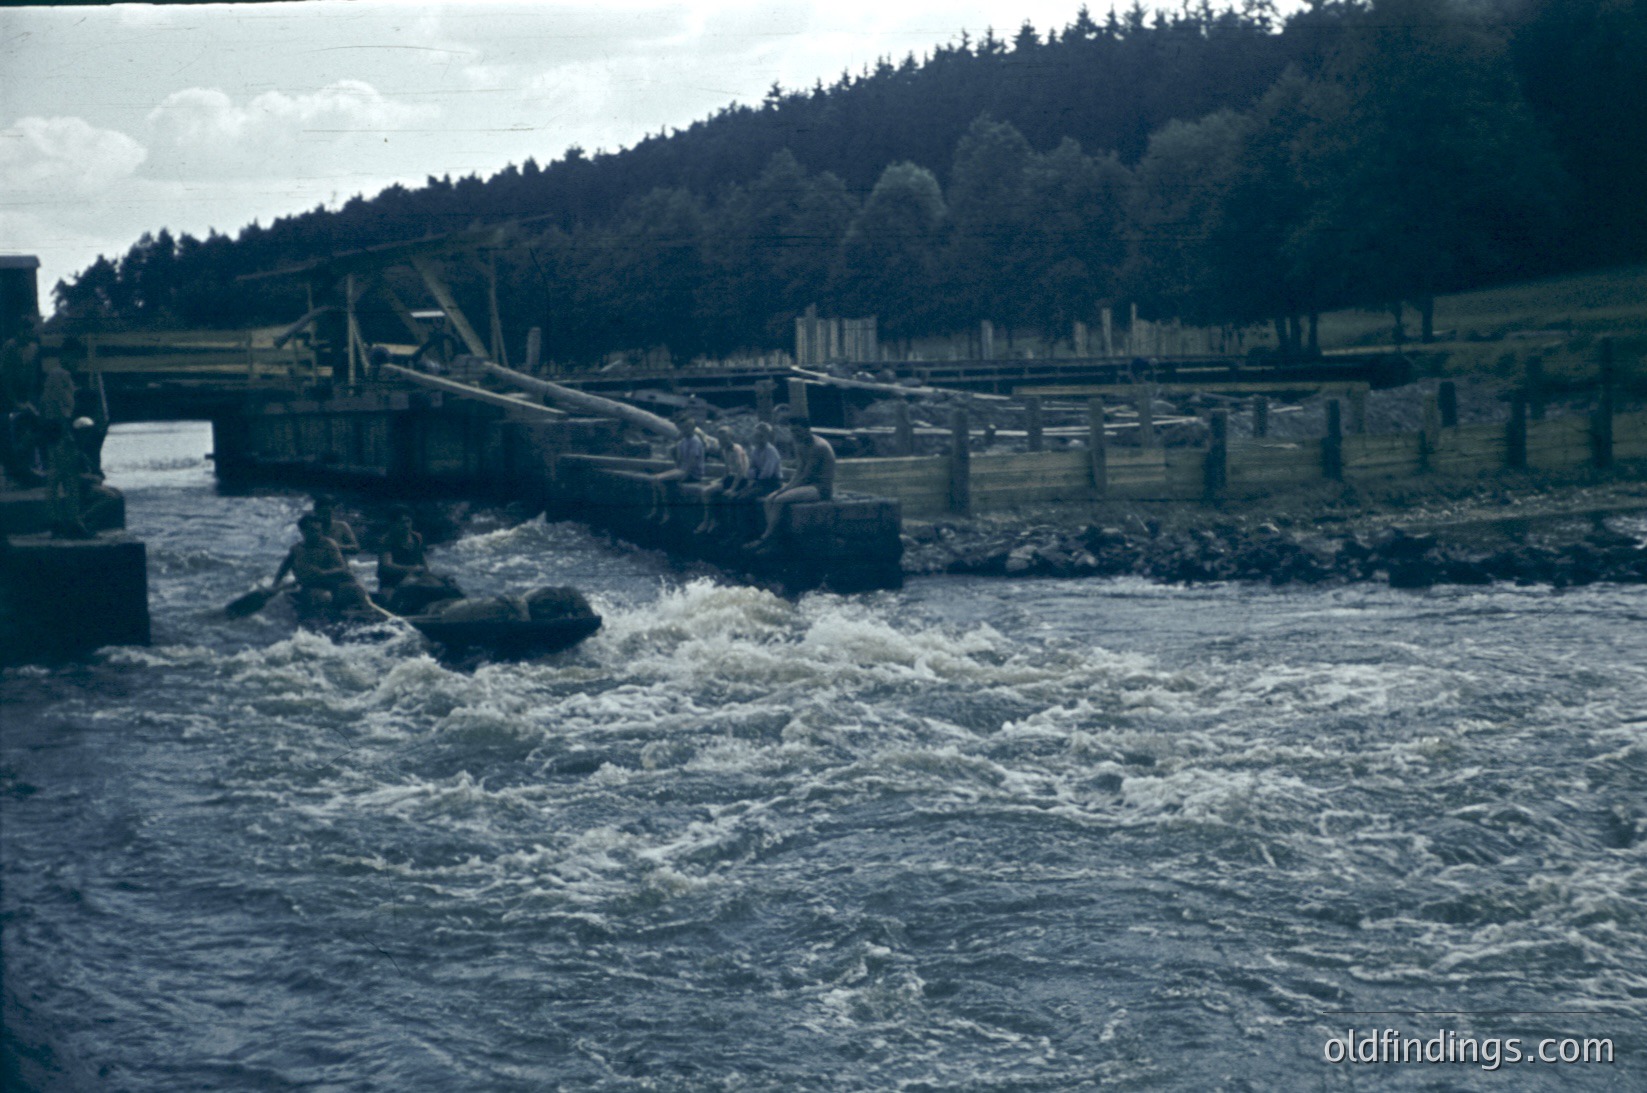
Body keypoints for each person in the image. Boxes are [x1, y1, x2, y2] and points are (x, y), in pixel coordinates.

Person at [748, 417, 834, 550]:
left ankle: (766, 539)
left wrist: (786, 490)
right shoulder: (799, 444)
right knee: (769, 499)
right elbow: (799, 470)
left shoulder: (818, 447)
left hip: (819, 488)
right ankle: (773, 538)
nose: (795, 434)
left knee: (780, 500)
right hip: (806, 485)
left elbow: (806, 475)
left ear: (807, 430)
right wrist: (787, 487)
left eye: (798, 431)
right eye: (792, 431)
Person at [273, 513, 372, 613]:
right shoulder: (296, 549)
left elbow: (342, 568)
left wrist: (323, 573)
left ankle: (366, 613)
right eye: (312, 531)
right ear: (302, 531)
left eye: (318, 531)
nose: (316, 534)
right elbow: (283, 569)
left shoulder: (329, 544)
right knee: (323, 596)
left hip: (332, 582)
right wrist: (275, 586)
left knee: (358, 590)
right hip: (311, 586)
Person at [647, 412, 705, 523]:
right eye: (683, 428)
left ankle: (667, 512)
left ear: (693, 427)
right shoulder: (683, 441)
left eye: (688, 427)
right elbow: (678, 461)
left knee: (659, 480)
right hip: (682, 470)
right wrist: (674, 456)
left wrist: (683, 476)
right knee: (654, 479)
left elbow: (691, 463)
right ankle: (657, 509)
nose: (686, 430)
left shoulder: (695, 441)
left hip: (693, 473)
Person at [694, 426, 748, 535]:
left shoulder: (736, 449)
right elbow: (727, 471)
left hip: (740, 480)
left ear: (730, 437)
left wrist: (733, 488)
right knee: (706, 490)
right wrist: (718, 481)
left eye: (724, 438)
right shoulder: (724, 450)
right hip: (730, 478)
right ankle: (712, 520)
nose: (721, 441)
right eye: (720, 439)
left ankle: (708, 520)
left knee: (709, 493)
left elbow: (741, 470)